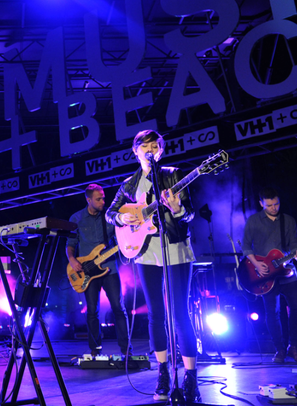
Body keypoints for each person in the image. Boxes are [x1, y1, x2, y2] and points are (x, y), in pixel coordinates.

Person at [105, 130, 200, 403]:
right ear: (136, 151)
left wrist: (178, 209)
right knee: (156, 314)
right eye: (145, 145)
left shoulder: (173, 175)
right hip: (146, 253)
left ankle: (190, 377)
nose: (151, 149)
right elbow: (111, 213)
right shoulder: (129, 184)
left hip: (175, 249)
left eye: (155, 145)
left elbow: (190, 213)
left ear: (161, 150)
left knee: (179, 312)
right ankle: (163, 373)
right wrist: (123, 217)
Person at [242, 188, 297, 364]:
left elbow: (296, 246)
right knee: (272, 312)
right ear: (261, 203)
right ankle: (279, 349)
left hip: (287, 270)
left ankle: (294, 347)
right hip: (265, 274)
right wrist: (256, 264)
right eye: (269, 205)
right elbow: (246, 246)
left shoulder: (288, 220)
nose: (273, 207)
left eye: (276, 204)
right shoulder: (254, 220)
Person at [66, 183, 130, 357]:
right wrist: (72, 260)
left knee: (118, 308)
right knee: (92, 311)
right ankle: (95, 349)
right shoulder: (76, 218)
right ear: (88, 200)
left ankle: (126, 349)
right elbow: (70, 245)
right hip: (86, 272)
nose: (103, 201)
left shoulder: (109, 216)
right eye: (98, 199)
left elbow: (121, 239)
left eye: (103, 197)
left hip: (109, 269)